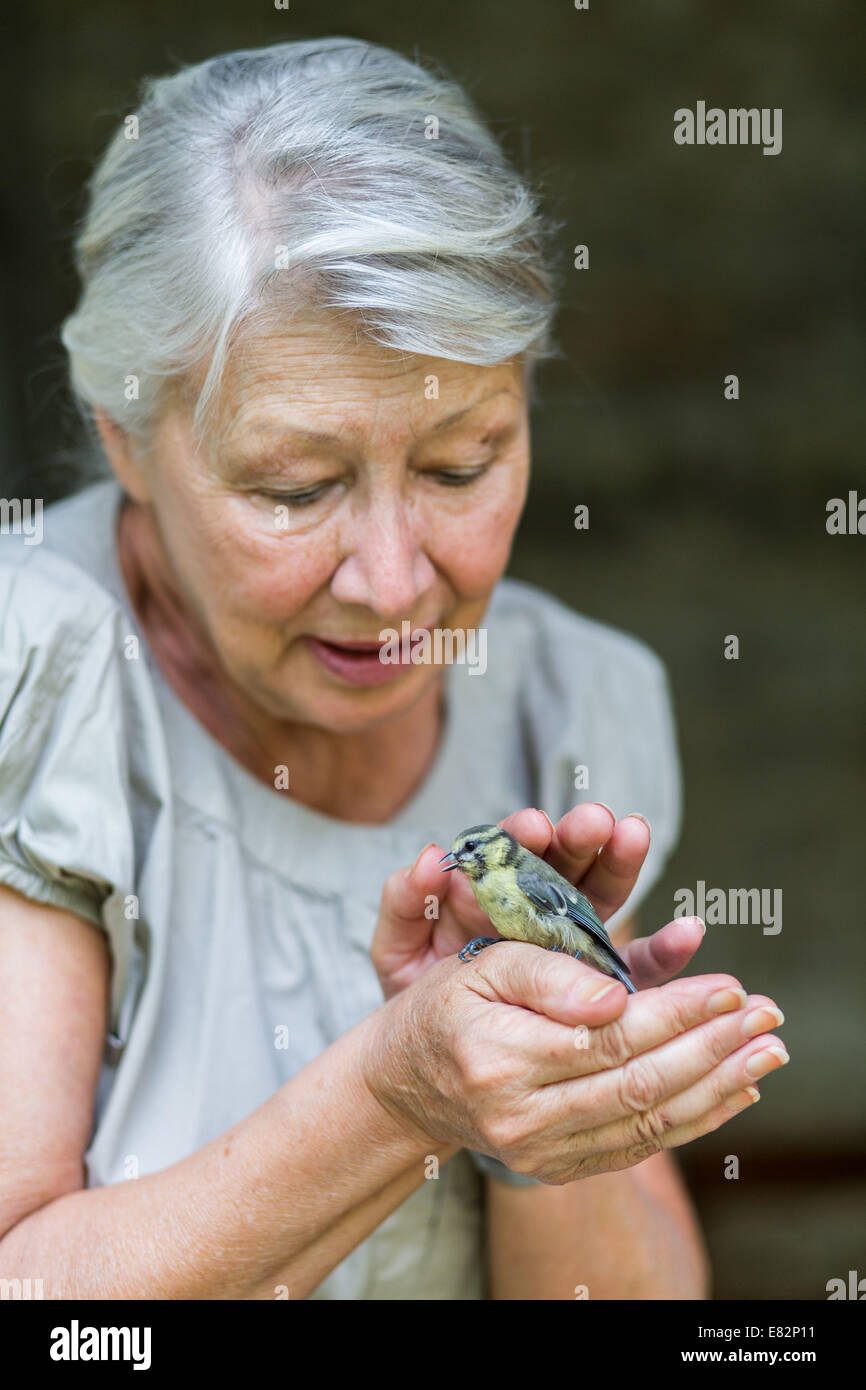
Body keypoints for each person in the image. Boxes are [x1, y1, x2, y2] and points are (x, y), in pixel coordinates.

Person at [0, 37, 786, 1300]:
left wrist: (553, 1090)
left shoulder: (563, 699)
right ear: (127, 441)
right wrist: (398, 1091)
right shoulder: (30, 669)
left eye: (459, 466)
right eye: (294, 487)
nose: (393, 582)